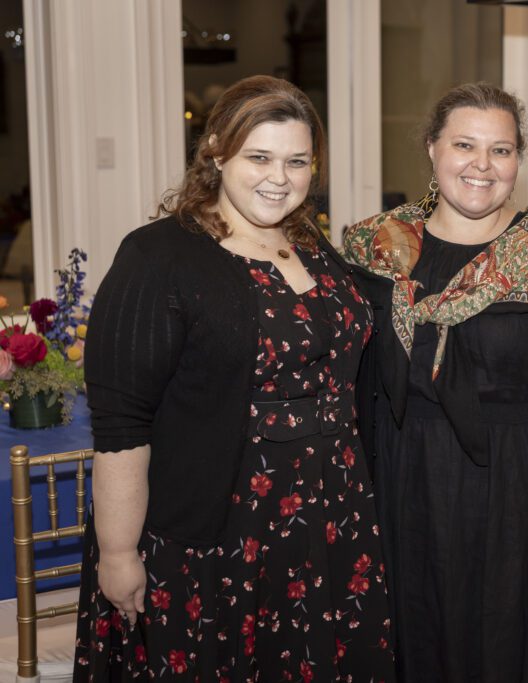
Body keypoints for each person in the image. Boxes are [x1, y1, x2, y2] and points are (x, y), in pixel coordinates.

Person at [74, 75, 395, 681]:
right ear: (216, 150)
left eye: (297, 161)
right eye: (259, 157)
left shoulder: (312, 244)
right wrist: (117, 552)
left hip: (331, 511)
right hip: (219, 525)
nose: (280, 177)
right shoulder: (159, 256)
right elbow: (122, 424)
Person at [341, 82, 528, 681]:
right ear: (432, 149)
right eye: (464, 145)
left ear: (518, 162)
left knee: (515, 646)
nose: (482, 165)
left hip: (519, 486)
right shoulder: (373, 249)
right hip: (404, 482)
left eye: (501, 150)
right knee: (416, 639)